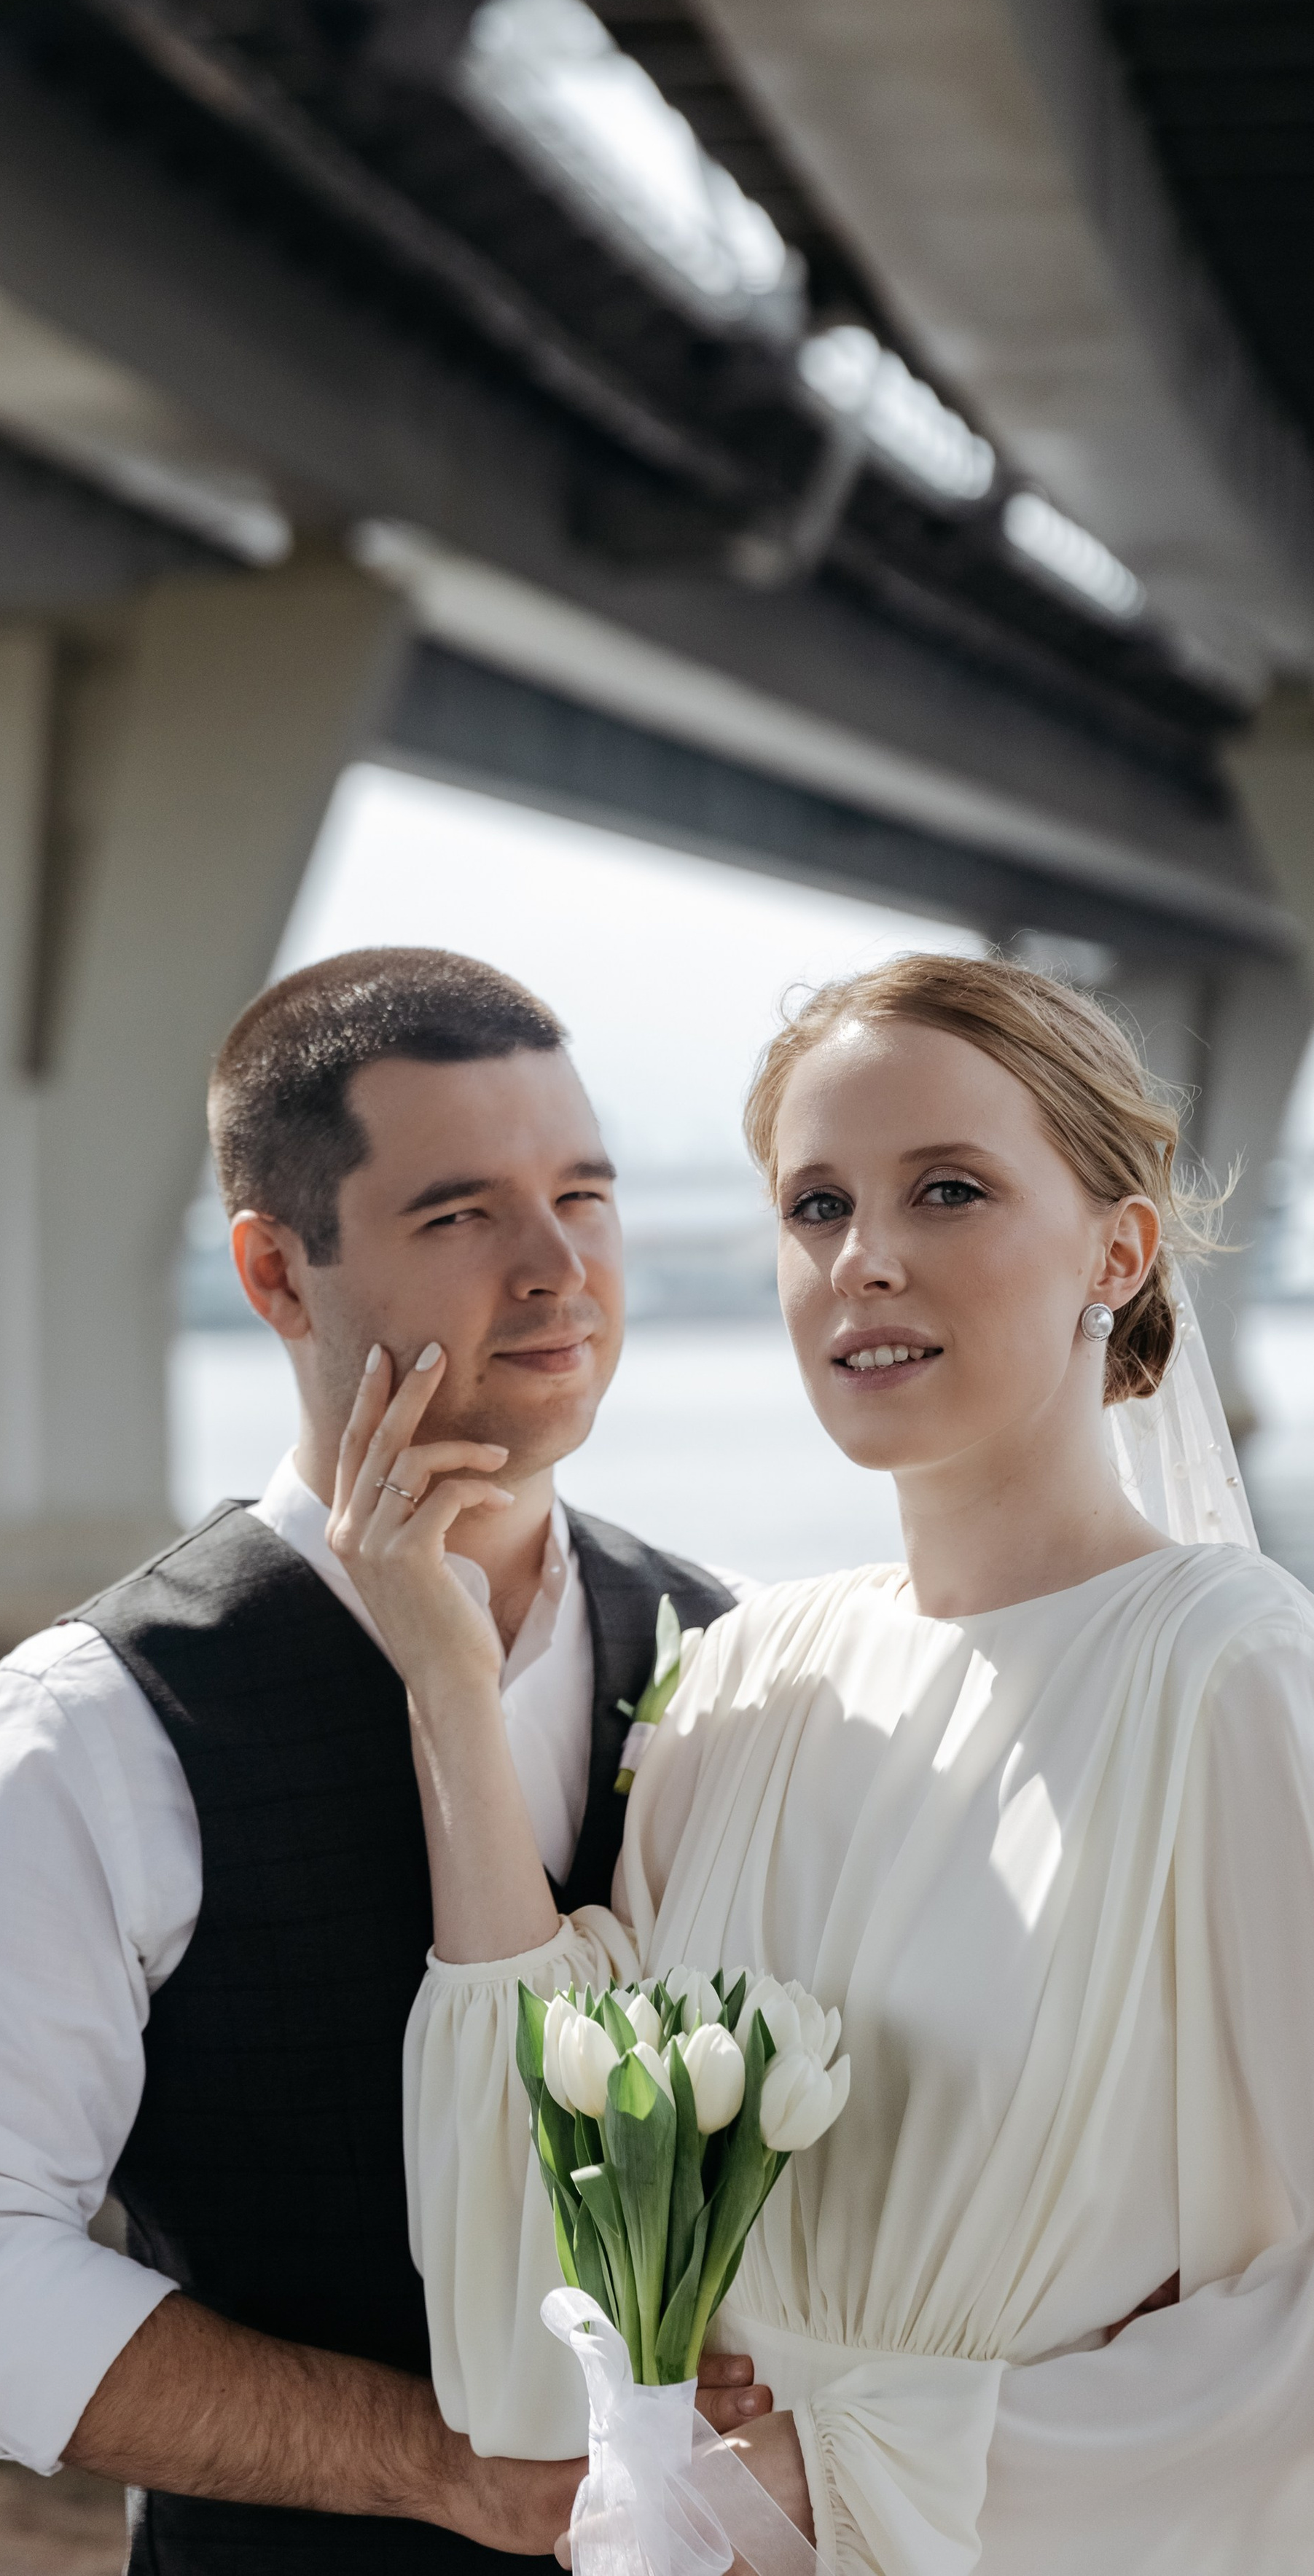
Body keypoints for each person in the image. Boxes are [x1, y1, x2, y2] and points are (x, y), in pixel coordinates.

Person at [337, 952, 1314, 2573]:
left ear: (1116, 1245)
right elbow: (534, 2280)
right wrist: (447, 1679)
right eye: (813, 1206)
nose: (862, 1261)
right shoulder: (744, 1679)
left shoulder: (1221, 1672)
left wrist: (841, 2457)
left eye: (945, 1189)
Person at [0, 947, 767, 2572]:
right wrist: (430, 2460)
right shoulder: (104, 1717)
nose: (558, 1268)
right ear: (277, 1274)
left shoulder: (734, 1642)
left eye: (585, 1195)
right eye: (459, 1214)